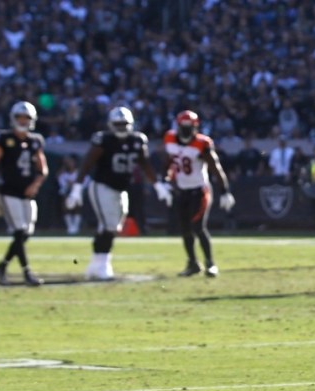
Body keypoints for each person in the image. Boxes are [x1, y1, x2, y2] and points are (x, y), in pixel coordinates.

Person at [65, 107, 172, 280]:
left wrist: (158, 186)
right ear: (111, 125)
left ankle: (95, 264)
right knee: (109, 226)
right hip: (102, 186)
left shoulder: (137, 140)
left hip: (121, 189)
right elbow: (87, 163)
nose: (121, 127)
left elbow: (144, 164)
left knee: (113, 227)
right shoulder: (104, 140)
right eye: (118, 124)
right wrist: (77, 188)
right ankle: (103, 264)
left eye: (124, 124)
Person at [164, 110, 235, 277]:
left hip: (199, 190)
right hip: (182, 190)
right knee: (184, 228)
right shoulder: (170, 138)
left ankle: (210, 263)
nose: (186, 130)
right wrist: (164, 179)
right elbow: (169, 161)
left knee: (198, 227)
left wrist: (224, 190)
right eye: (184, 126)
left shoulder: (202, 143)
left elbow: (215, 168)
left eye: (189, 126)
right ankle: (193, 263)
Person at [0, 101, 48, 286]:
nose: (23, 121)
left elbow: (43, 169)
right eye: (20, 117)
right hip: (9, 191)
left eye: (26, 118)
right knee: (19, 231)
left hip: (27, 194)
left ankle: (2, 267)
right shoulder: (4, 138)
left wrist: (35, 185)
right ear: (13, 119)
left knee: (25, 234)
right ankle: (27, 272)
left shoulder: (35, 141)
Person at [56, 154, 82, 235]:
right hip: (66, 193)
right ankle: (70, 226)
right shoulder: (63, 174)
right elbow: (60, 182)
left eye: (71, 162)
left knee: (77, 206)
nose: (70, 164)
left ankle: (76, 226)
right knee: (65, 205)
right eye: (68, 162)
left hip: (78, 193)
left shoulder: (79, 172)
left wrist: (74, 185)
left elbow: (84, 182)